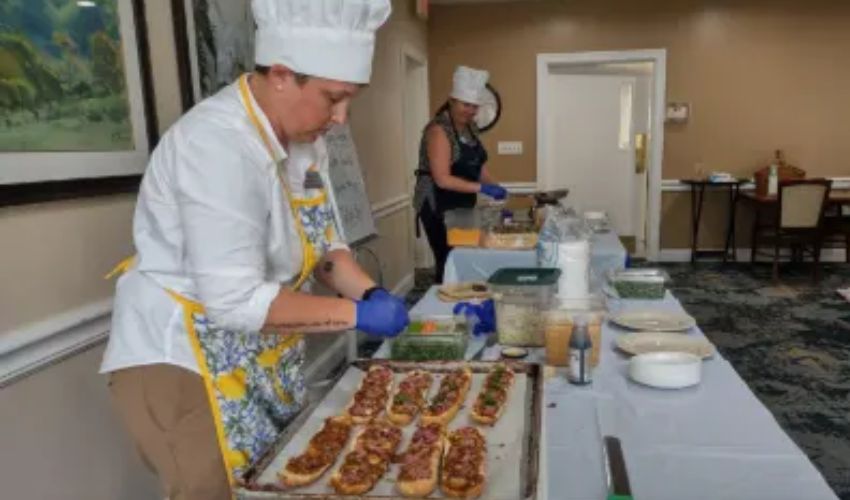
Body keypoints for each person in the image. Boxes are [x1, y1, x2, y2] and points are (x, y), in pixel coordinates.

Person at [100, 1, 403, 499]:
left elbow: (325, 248)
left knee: (272, 480)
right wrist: (356, 316)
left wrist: (370, 294)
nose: (342, 118)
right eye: (333, 98)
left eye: (350, 99)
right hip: (184, 362)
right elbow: (236, 301)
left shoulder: (305, 143)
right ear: (282, 75)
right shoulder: (217, 146)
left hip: (253, 355)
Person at [413, 65, 507, 283]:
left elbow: (477, 165)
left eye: (475, 106)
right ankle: (441, 307)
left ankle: (463, 299)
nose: (471, 111)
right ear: (452, 100)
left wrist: (495, 185)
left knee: (465, 255)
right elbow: (442, 178)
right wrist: (482, 188)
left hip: (462, 203)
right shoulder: (438, 130)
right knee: (448, 260)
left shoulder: (469, 127)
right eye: (466, 105)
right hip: (437, 203)